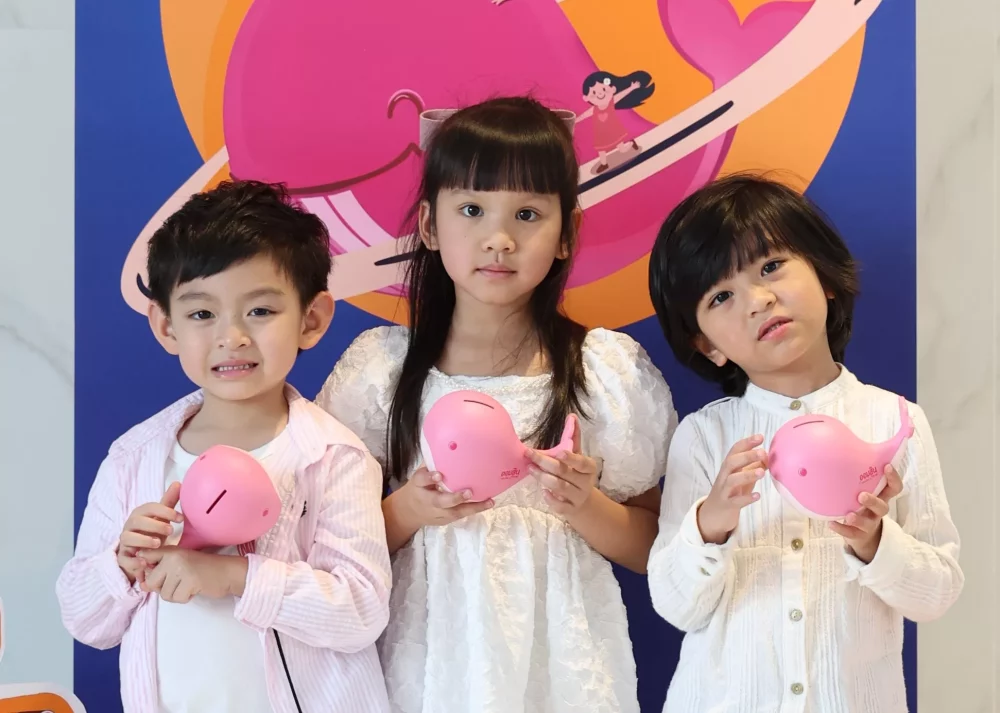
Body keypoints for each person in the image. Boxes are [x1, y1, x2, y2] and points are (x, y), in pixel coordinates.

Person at [317, 96, 676, 712]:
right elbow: (329, 545)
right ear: (430, 226)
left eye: (528, 214)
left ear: (565, 234)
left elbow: (657, 551)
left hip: (561, 670)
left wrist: (585, 505)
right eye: (472, 210)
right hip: (427, 668)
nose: (500, 239)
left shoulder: (602, 372)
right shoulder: (382, 372)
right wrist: (408, 510)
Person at [56, 180, 392, 713]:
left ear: (311, 319)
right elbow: (84, 621)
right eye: (201, 314)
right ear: (166, 326)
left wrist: (234, 577)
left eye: (260, 311)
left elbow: (360, 611)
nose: (231, 337)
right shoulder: (134, 458)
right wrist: (121, 563)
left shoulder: (333, 457)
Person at [646, 173, 964, 712]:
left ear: (826, 276)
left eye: (771, 266)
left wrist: (874, 542)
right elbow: (676, 606)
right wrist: (711, 522)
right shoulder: (703, 436)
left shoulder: (896, 422)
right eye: (721, 296)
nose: (758, 300)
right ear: (707, 345)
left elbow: (937, 595)